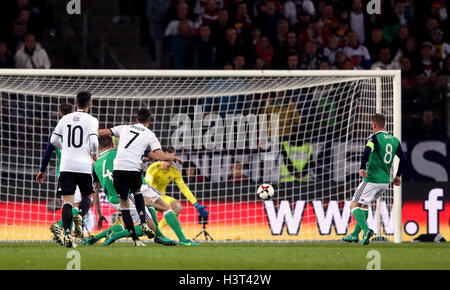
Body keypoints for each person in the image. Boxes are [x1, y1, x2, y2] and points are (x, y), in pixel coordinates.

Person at [84, 135, 197, 246]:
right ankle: (171, 238)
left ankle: (96, 237)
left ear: (99, 146)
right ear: (113, 144)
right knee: (155, 218)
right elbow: (143, 158)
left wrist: (99, 213)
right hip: (131, 191)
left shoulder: (97, 164)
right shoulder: (119, 153)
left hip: (114, 199)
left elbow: (95, 190)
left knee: (126, 223)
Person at [98, 109, 181, 246]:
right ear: (149, 122)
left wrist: (88, 132)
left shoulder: (125, 127)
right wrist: (172, 157)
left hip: (118, 170)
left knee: (124, 206)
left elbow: (103, 132)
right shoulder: (149, 134)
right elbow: (160, 156)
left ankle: (135, 240)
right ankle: (146, 227)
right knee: (138, 197)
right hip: (134, 171)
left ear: (137, 119)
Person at [343, 114, 407, 245]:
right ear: (385, 124)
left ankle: (366, 231)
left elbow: (367, 150)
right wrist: (398, 175)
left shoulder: (374, 137)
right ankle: (355, 235)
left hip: (372, 179)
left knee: (353, 205)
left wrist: (362, 167)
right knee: (363, 205)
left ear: (374, 125)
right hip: (385, 182)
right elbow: (404, 159)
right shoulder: (395, 140)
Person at [49, 92, 99, 248]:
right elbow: (94, 142)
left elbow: (53, 140)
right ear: (89, 104)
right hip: (83, 165)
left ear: (76, 102)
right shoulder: (91, 120)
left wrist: (66, 148)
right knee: (87, 197)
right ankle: (79, 214)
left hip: (66, 165)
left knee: (67, 202)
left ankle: (67, 236)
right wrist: (94, 155)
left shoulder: (65, 118)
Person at [36, 103, 85, 245]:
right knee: (76, 205)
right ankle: (60, 228)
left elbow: (47, 154)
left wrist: (42, 170)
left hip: (63, 171)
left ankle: (65, 233)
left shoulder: (56, 131)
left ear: (60, 114)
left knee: (68, 204)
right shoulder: (80, 129)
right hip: (79, 169)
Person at [144, 147, 209, 232]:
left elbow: (184, 188)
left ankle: (157, 230)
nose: (170, 163)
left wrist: (195, 204)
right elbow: (147, 186)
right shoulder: (153, 168)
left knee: (177, 207)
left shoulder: (174, 171)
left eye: (171, 160)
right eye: (167, 160)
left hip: (160, 197)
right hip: (147, 197)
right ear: (162, 158)